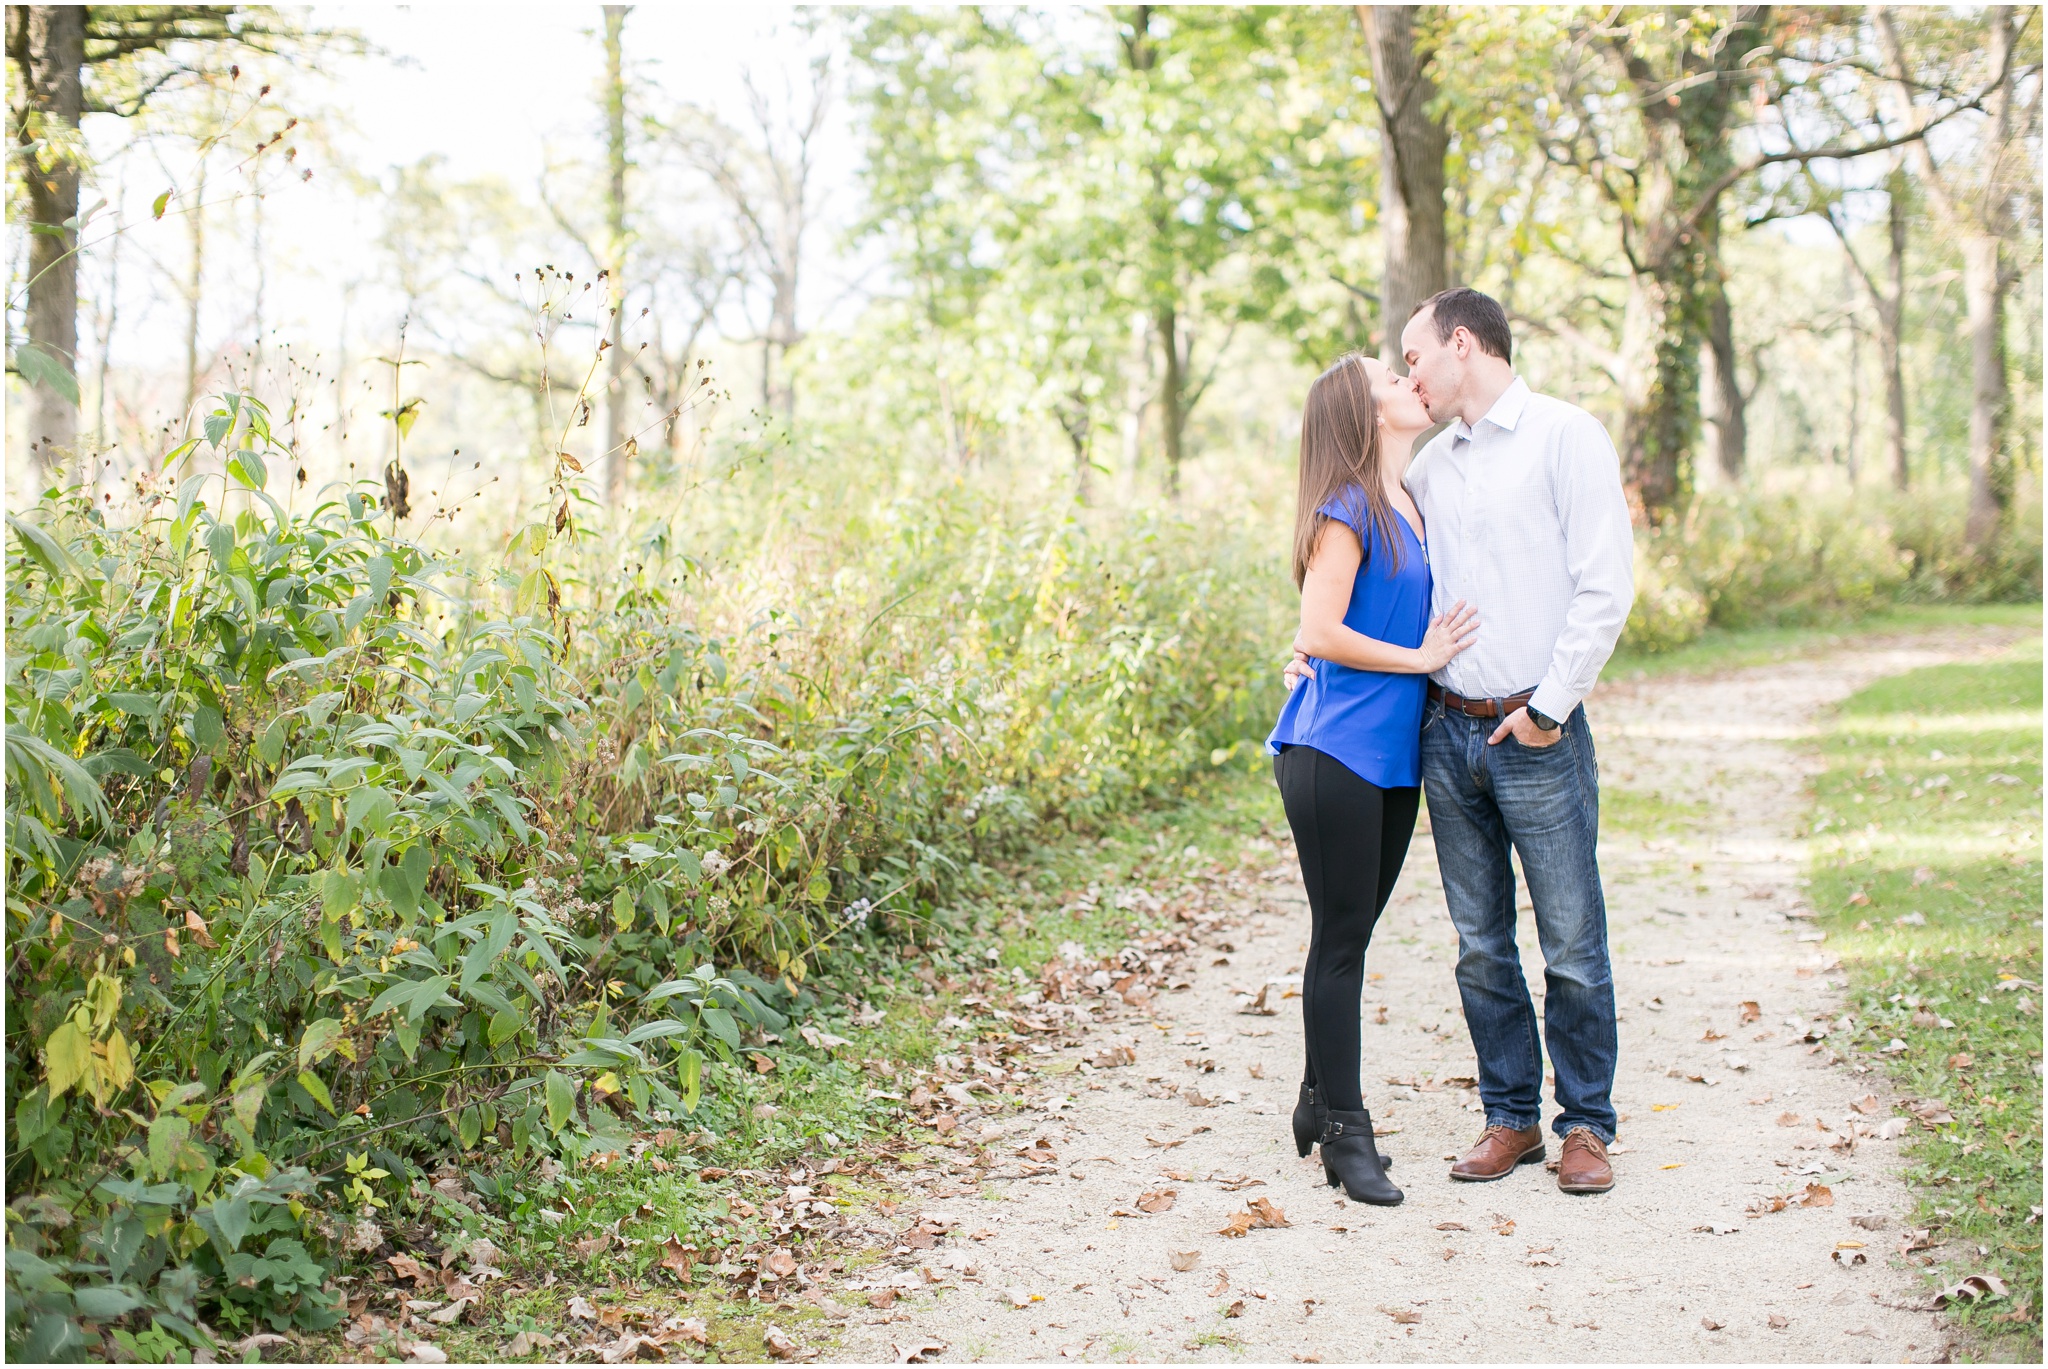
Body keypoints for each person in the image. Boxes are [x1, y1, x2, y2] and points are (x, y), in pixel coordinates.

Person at [1291, 287, 1635, 1197]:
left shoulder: (1567, 437)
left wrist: (1553, 707)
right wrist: (1309, 653)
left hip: (1539, 728)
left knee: (1570, 938)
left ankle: (1586, 1125)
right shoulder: (1429, 470)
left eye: (1415, 355)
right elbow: (1355, 585)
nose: (1410, 372)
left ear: (1462, 344)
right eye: (1398, 368)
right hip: (1446, 731)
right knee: (1481, 942)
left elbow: (1605, 588)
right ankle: (1510, 1115)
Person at [1266, 351, 1479, 1206]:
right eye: (1388, 378)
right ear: (1364, 413)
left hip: (1391, 758)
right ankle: (1348, 1134)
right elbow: (1318, 629)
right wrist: (1422, 658)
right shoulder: (1347, 507)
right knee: (1343, 939)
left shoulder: (1413, 503)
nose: (1406, 380)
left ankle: (1317, 1099)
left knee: (1346, 933)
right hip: (1332, 750)